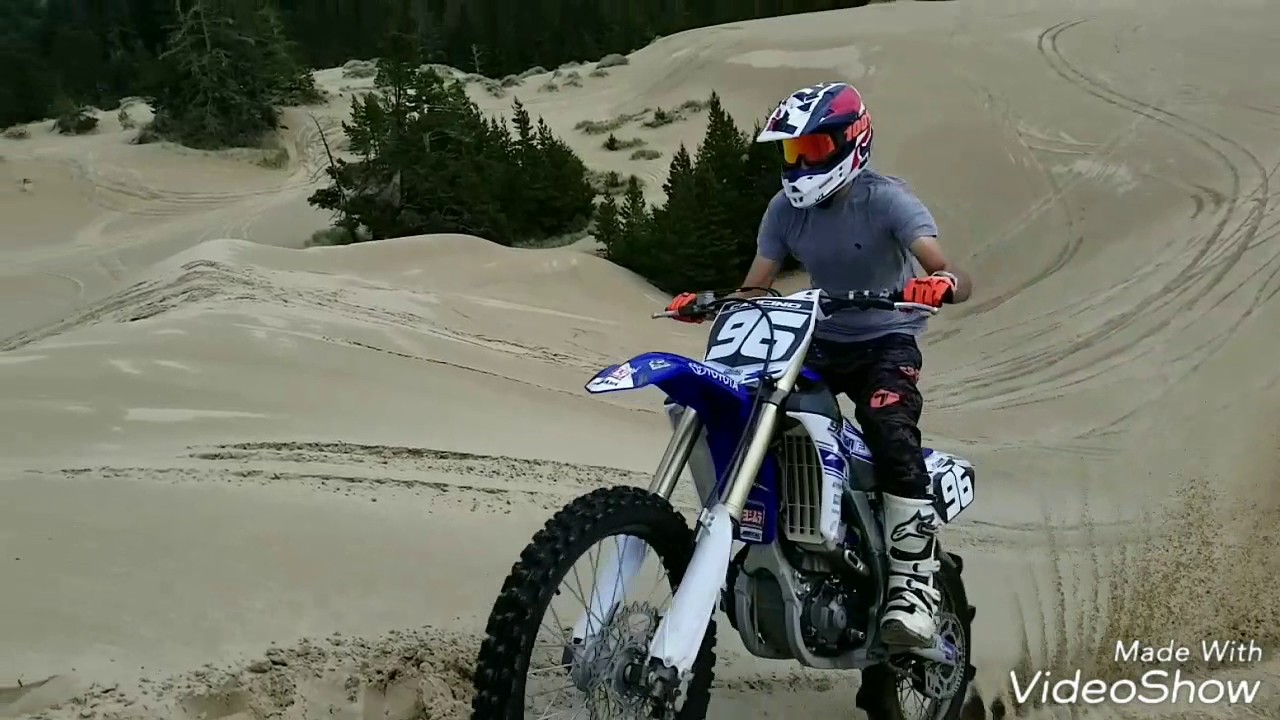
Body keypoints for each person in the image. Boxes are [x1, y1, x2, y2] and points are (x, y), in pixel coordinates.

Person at [663, 82, 974, 648]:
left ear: (850, 141)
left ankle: (915, 584)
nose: (799, 163)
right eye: (791, 152)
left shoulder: (887, 200)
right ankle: (789, 532)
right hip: (816, 340)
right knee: (760, 407)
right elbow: (754, 289)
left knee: (887, 426)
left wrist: (940, 282)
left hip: (886, 340)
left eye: (811, 149)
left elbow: (944, 264)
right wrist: (706, 302)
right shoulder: (784, 211)